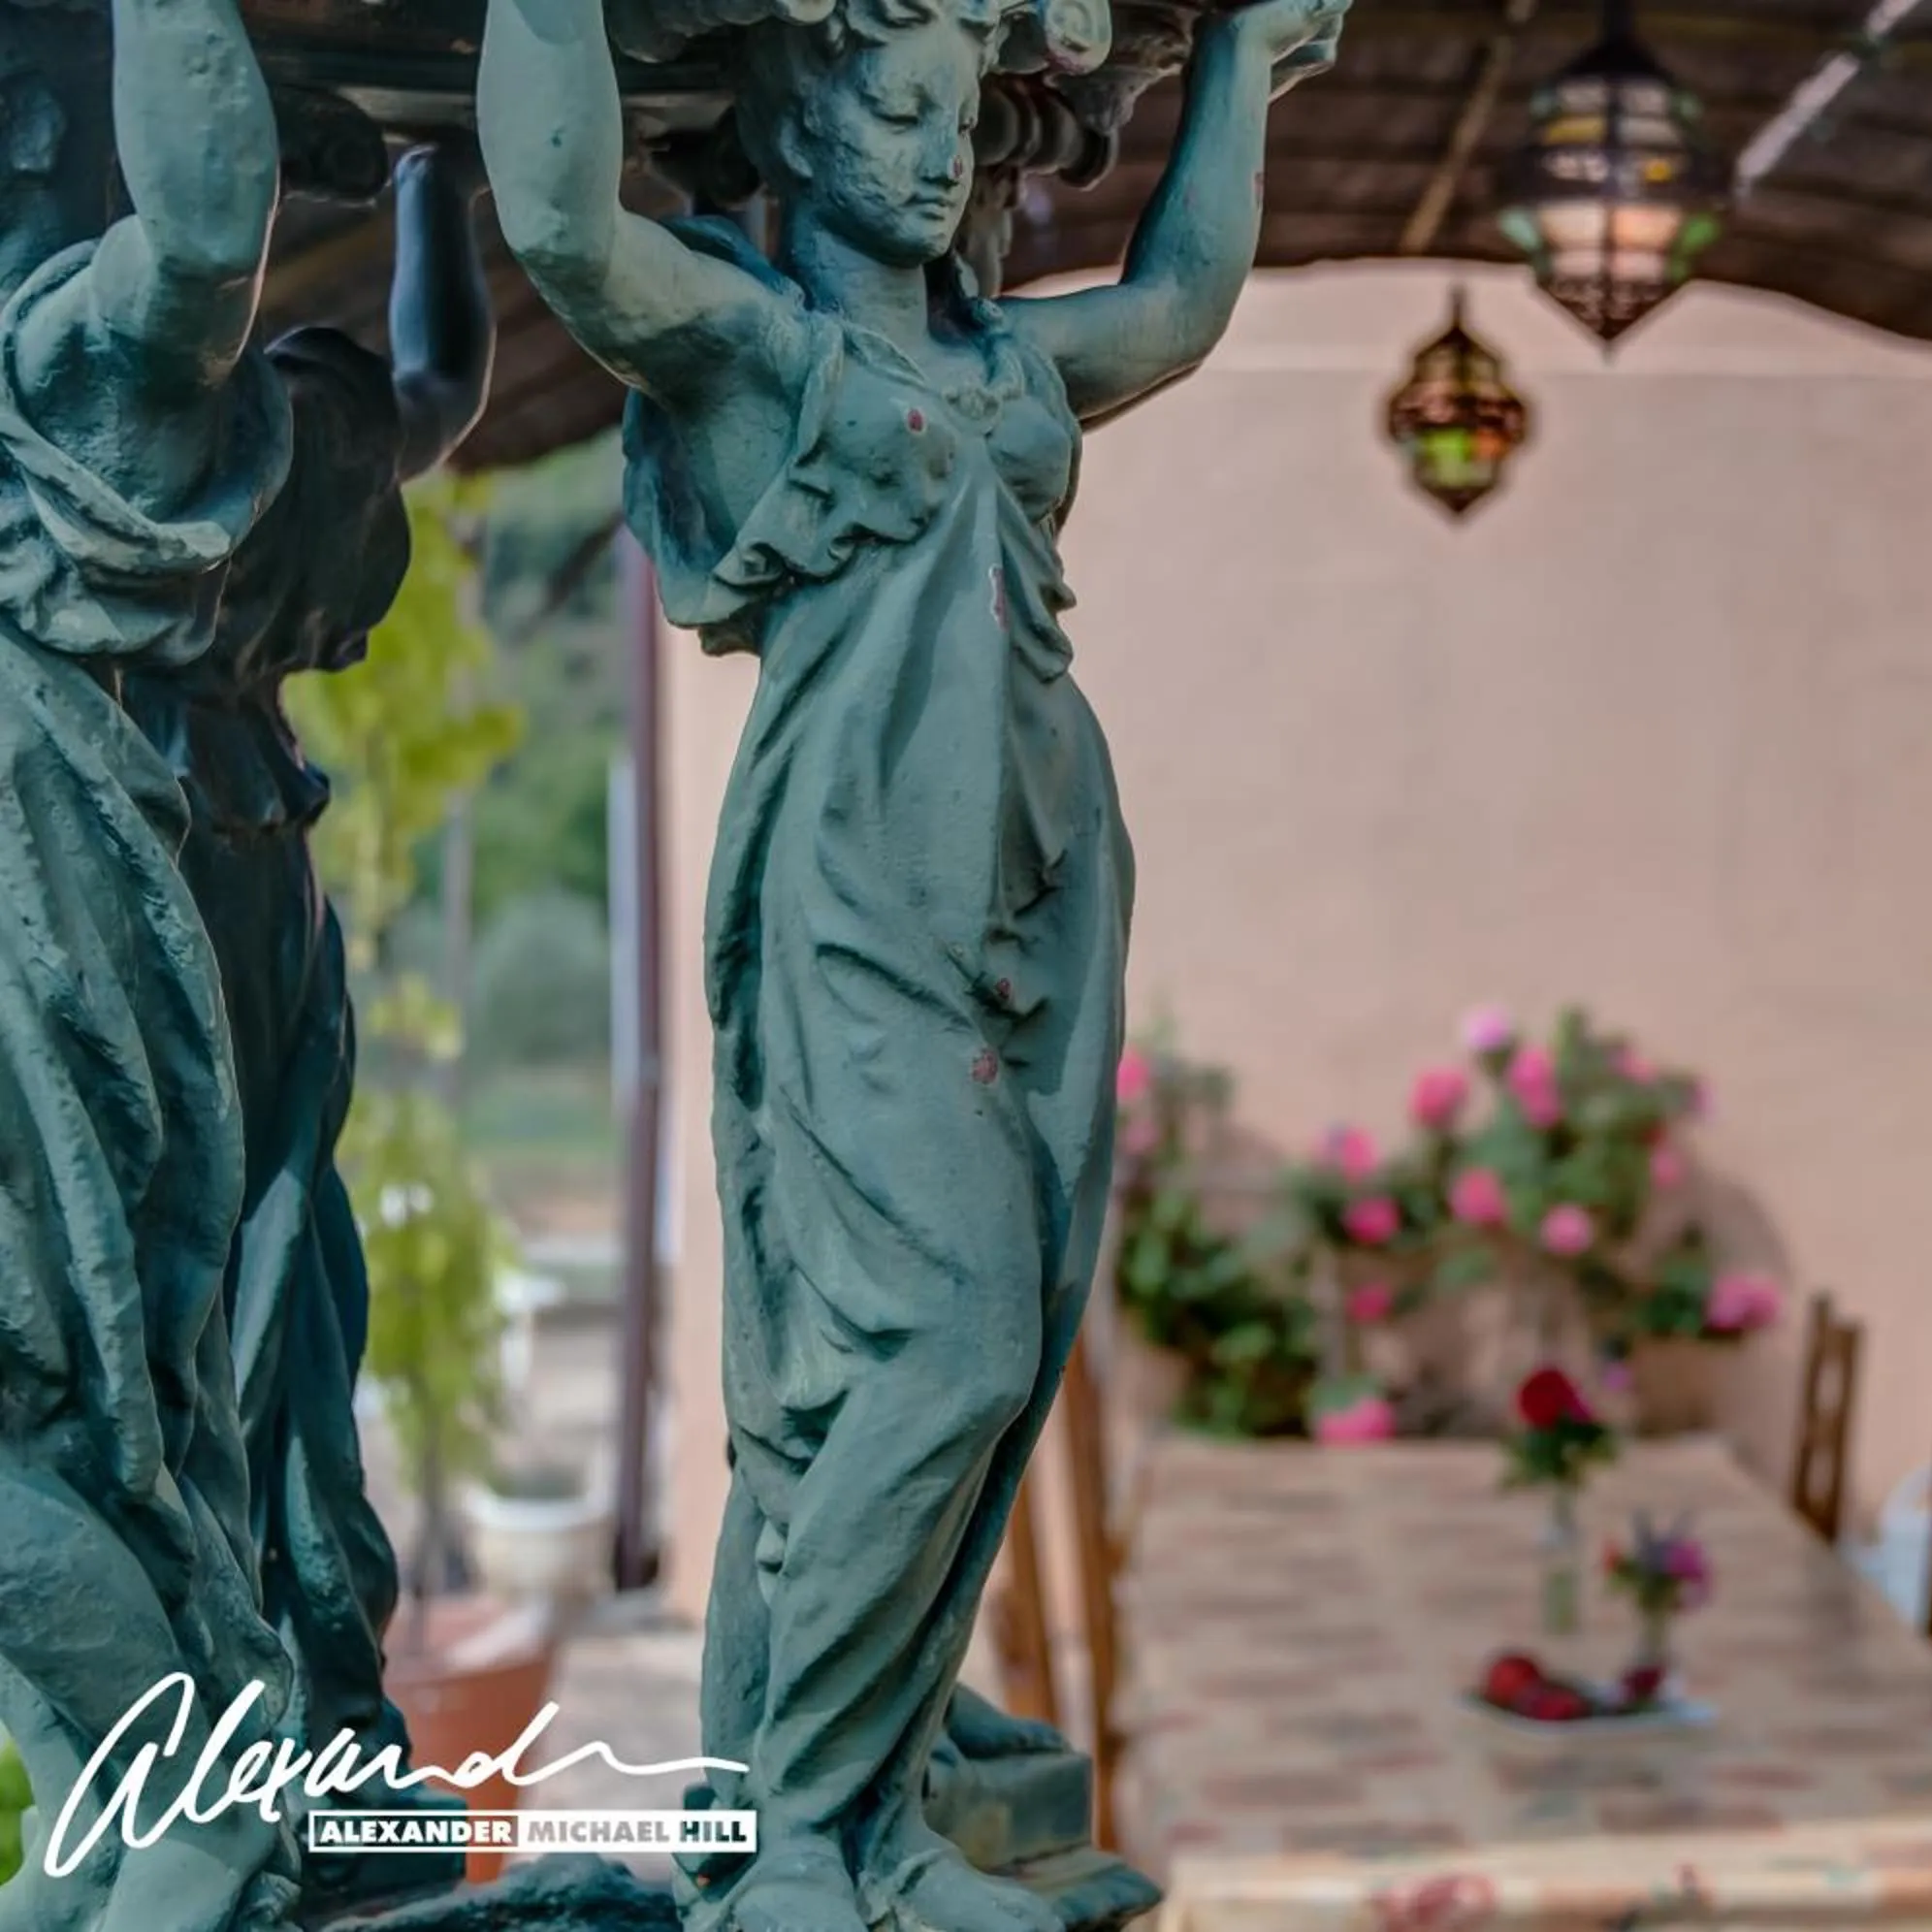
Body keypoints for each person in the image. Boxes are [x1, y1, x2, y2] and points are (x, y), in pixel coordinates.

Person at [478, 0, 1340, 1924]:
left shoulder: (1007, 367)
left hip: (1037, 906)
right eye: (899, 109)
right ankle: (801, 1827)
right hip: (859, 909)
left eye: (961, 120)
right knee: (937, 1350)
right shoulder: (761, 354)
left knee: (960, 1359)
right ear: (803, 123)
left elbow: (1182, 303)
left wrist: (1242, 62)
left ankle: (868, 1795)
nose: (945, 154)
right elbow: (566, 229)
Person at [116, 131, 496, 1918]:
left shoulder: (130, 476)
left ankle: (271, 1750)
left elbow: (423, 398)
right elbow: (438, 387)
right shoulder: (286, 450)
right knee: (272, 1331)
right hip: (252, 924)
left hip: (197, 924)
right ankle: (307, 1738)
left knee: (235, 1336)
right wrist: (432, 188)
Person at [0, 2, 303, 1926]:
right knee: (79, 1411)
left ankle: (196, 1800)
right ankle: (129, 1802)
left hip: (32, 903)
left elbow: (201, 231)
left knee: (60, 1394)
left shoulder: (47, 348)